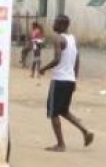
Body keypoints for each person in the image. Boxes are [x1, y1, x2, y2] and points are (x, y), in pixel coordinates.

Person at [39, 15, 94, 151]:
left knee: (53, 113)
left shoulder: (58, 39)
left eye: (56, 22)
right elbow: (77, 59)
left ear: (62, 25)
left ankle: (61, 144)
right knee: (64, 111)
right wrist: (74, 78)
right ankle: (85, 131)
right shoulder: (72, 39)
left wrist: (43, 68)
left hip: (59, 80)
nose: (53, 24)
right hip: (69, 80)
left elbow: (57, 59)